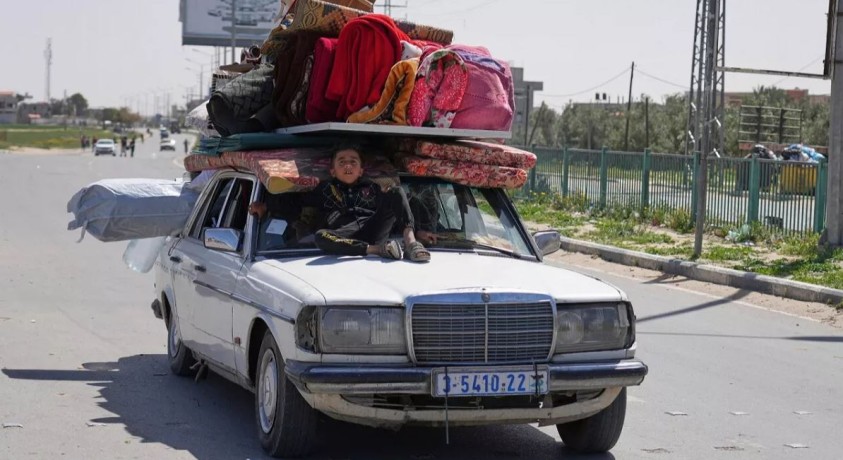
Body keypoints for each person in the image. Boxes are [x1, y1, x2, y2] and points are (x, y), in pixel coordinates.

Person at [252, 143, 431, 261]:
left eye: (353, 162)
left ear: (361, 171)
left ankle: (411, 244)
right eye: (342, 162)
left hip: (373, 229)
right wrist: (266, 206)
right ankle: (377, 250)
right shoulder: (322, 189)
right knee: (321, 236)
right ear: (332, 170)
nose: (348, 166)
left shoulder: (373, 188)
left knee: (396, 192)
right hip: (342, 237)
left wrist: (418, 231)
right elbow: (293, 202)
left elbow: (397, 209)